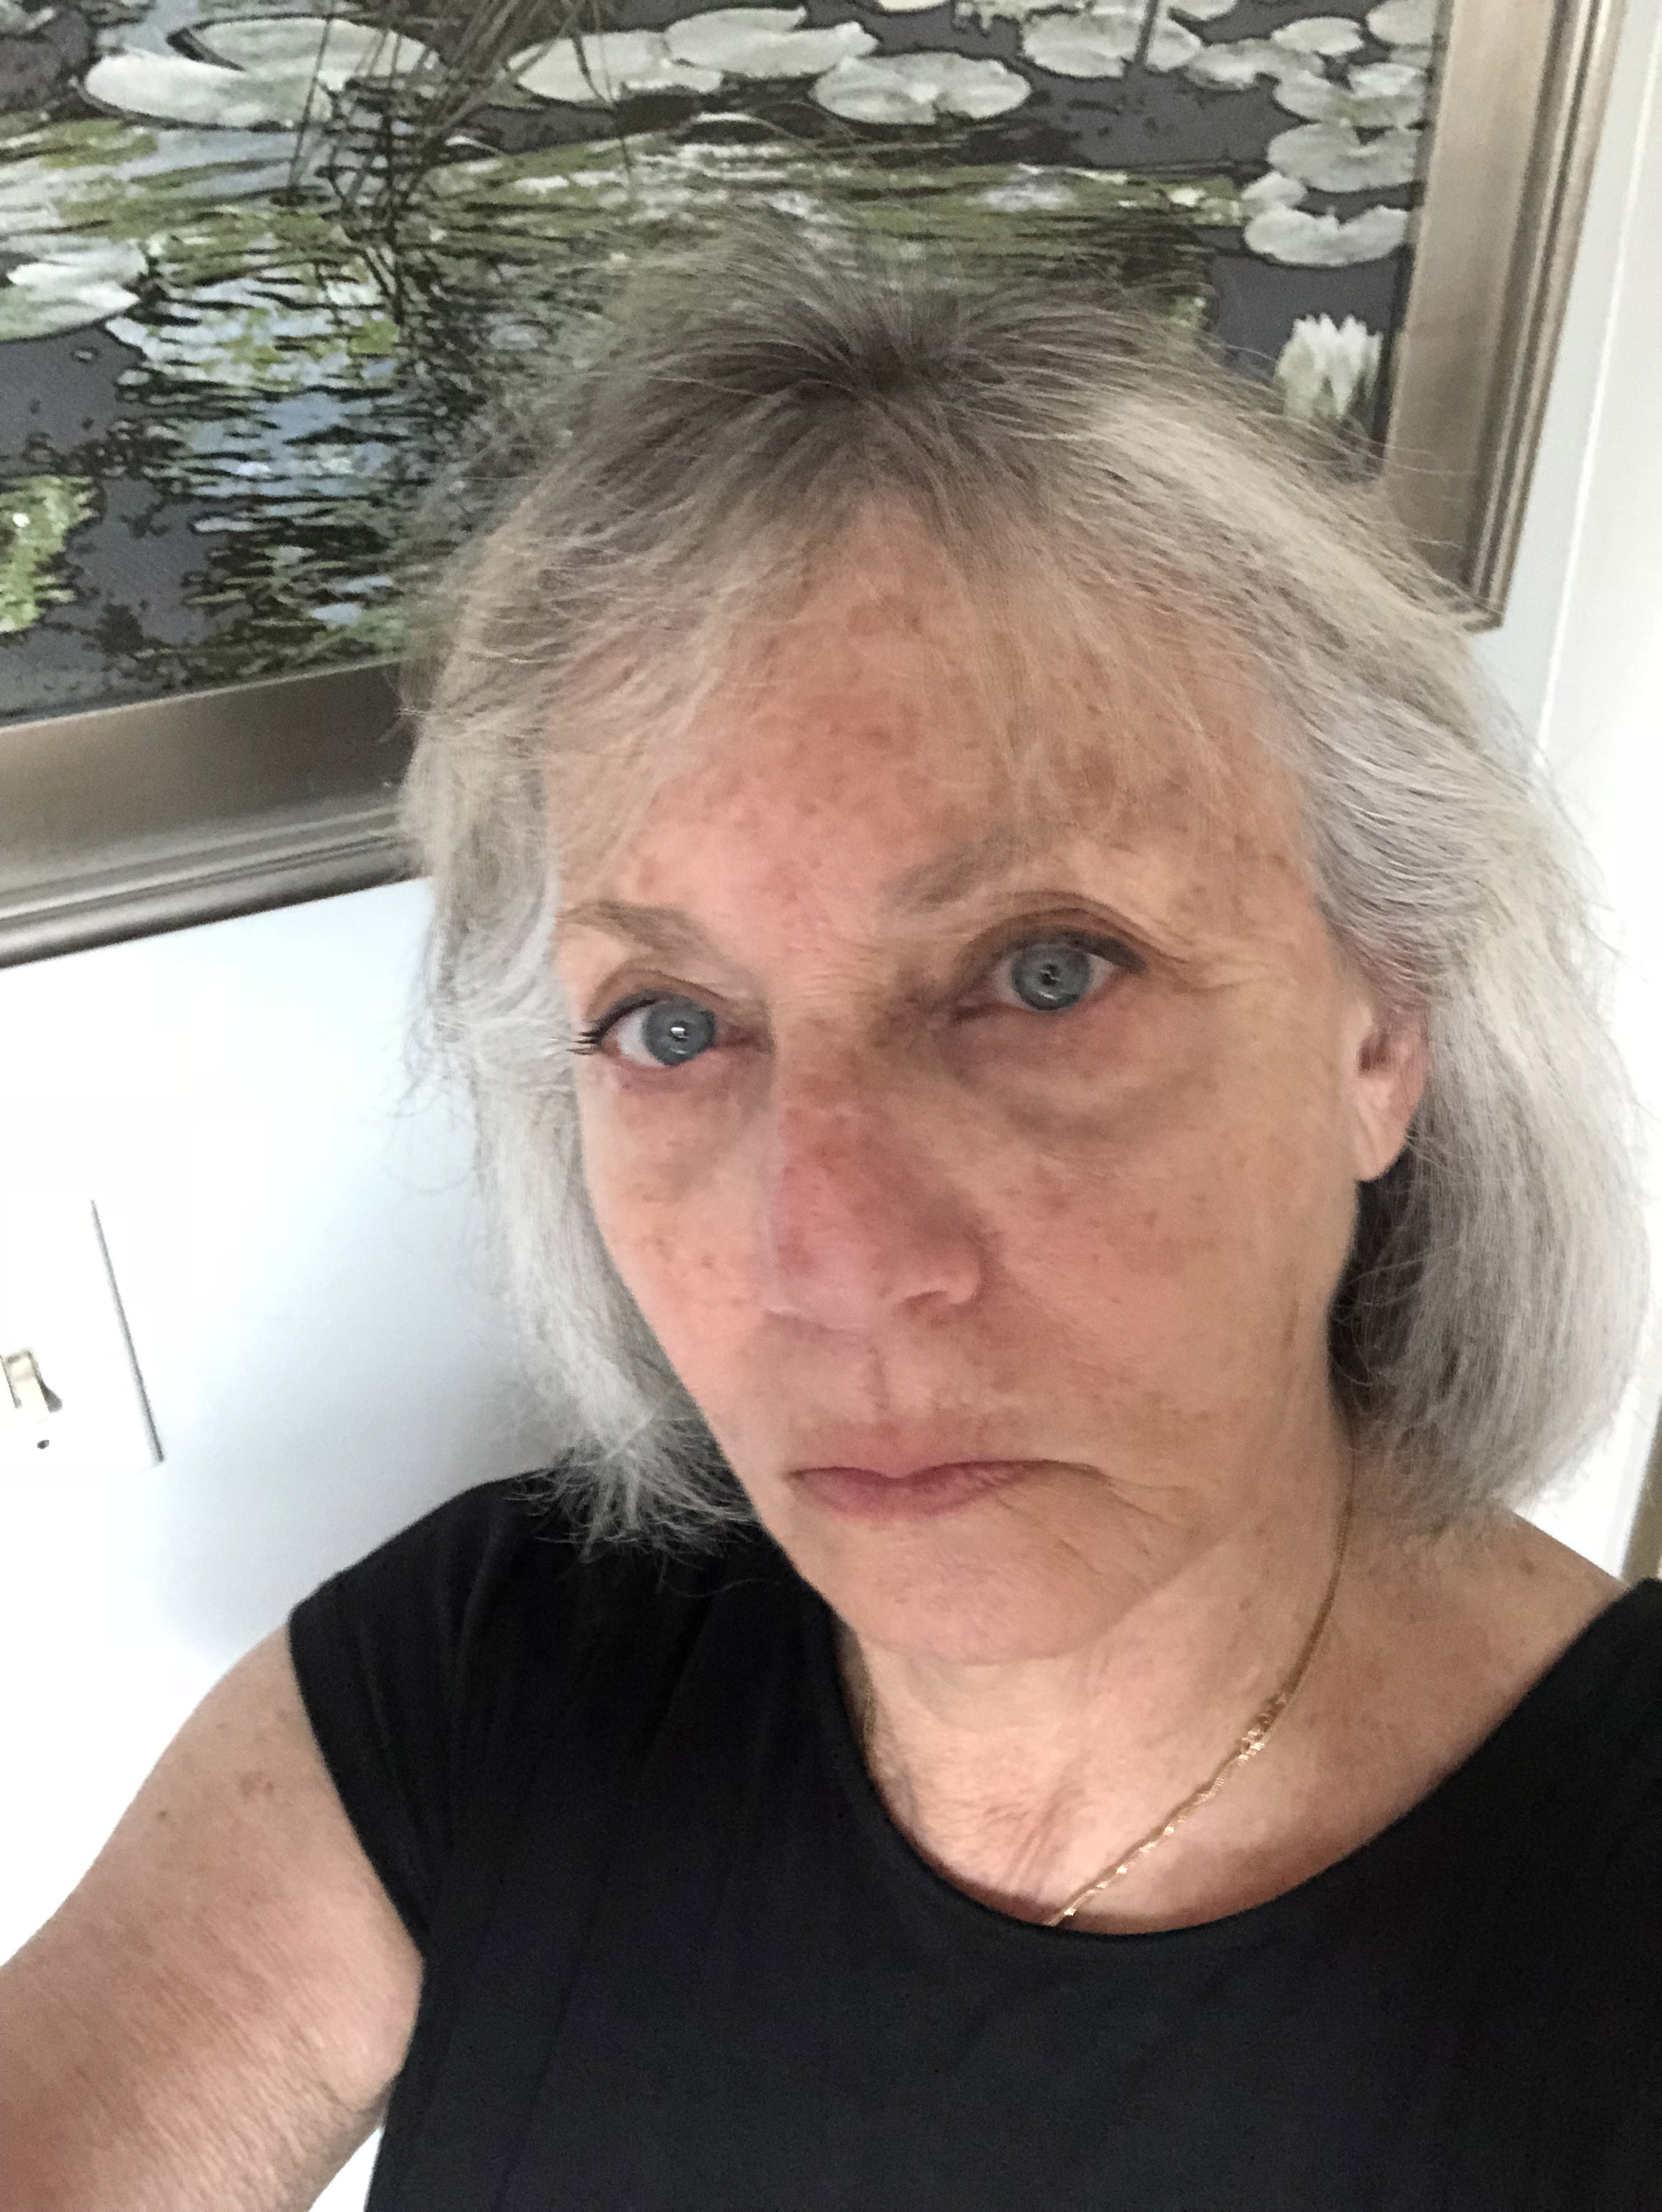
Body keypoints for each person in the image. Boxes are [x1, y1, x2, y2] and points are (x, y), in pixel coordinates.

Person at [2, 231, 1659, 2212]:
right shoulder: (497, 1667)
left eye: (1048, 973)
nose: (833, 1258)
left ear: (1382, 1030)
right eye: (673, 1024)